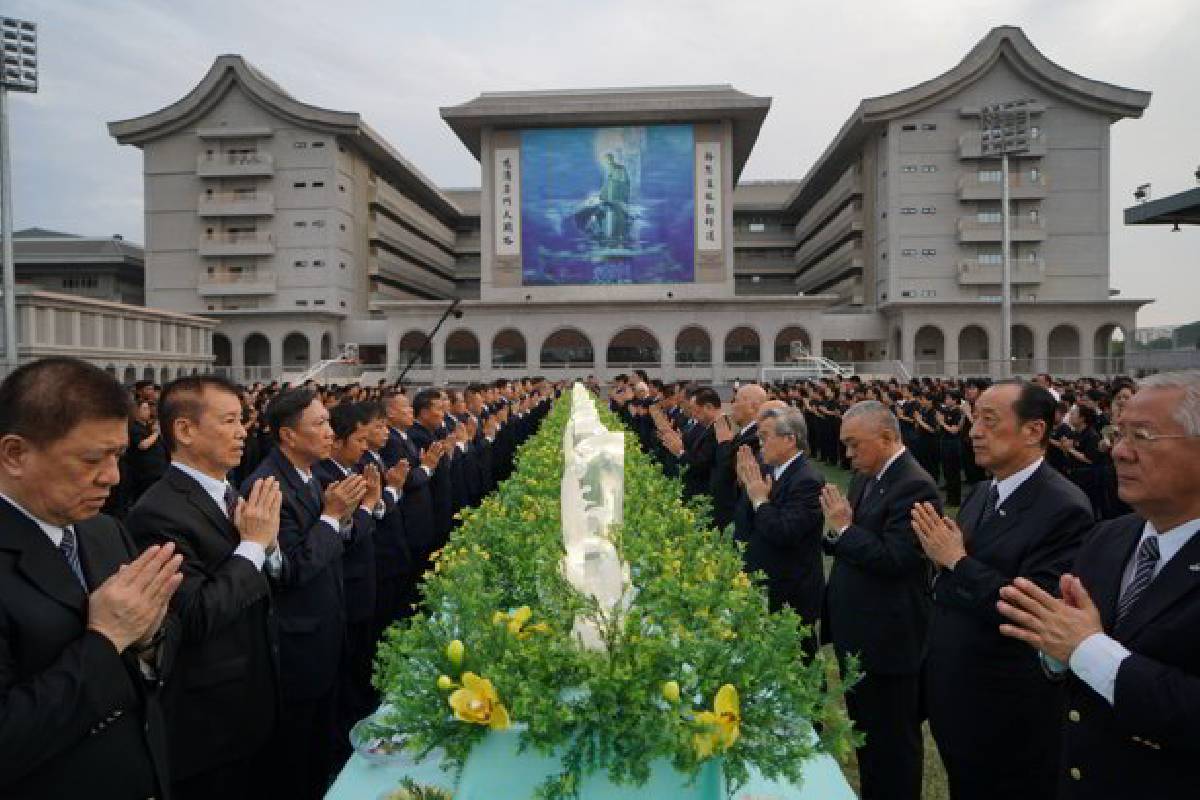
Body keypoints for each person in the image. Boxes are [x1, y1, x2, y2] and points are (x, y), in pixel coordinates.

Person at [995, 371, 1200, 799]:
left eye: (1143, 436)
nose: (1119, 452)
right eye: (1118, 433)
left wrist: (1087, 649)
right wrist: (1056, 653)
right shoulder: (1110, 538)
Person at [0, 358, 183, 799]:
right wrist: (104, 641)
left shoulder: (102, 529)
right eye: (90, 459)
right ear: (15, 454)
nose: (112, 477)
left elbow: (152, 651)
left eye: (117, 455)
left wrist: (149, 636)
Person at [911, 381, 1095, 800]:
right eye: (975, 418)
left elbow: (1035, 609)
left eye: (989, 421)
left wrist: (957, 562)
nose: (974, 430)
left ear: (1034, 431)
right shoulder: (982, 492)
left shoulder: (1063, 508)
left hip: (1007, 710)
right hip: (958, 693)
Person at [124, 375, 282, 800]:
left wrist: (269, 545)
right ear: (186, 430)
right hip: (210, 720)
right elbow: (192, 616)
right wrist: (252, 545)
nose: (242, 431)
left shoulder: (230, 493)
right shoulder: (158, 513)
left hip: (254, 696)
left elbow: (266, 578)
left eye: (242, 419)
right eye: (229, 420)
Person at [242, 388, 367, 800]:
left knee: (323, 750)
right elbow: (289, 569)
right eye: (319, 424)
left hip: (325, 632)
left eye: (329, 423)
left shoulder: (311, 475)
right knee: (297, 762)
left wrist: (341, 519)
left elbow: (331, 543)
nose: (330, 432)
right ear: (287, 436)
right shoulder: (266, 485)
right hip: (296, 646)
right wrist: (332, 517)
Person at [820, 401, 940, 800]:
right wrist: (839, 532)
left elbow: (898, 558)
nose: (848, 455)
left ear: (887, 437)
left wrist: (844, 529)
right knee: (869, 741)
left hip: (889, 640)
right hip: (860, 633)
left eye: (855, 445)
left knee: (893, 748)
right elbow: (850, 537)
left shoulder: (914, 485)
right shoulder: (868, 476)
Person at [732, 407, 826, 647]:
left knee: (798, 658)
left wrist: (760, 500)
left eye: (765, 437)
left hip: (792, 589)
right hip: (765, 580)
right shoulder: (768, 470)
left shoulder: (807, 480)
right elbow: (745, 524)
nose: (760, 443)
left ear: (789, 439)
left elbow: (785, 532)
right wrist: (748, 487)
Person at [709, 383, 767, 530]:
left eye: (737, 400)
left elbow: (729, 470)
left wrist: (723, 443)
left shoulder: (755, 437)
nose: (732, 405)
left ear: (753, 406)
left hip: (735, 510)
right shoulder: (743, 433)